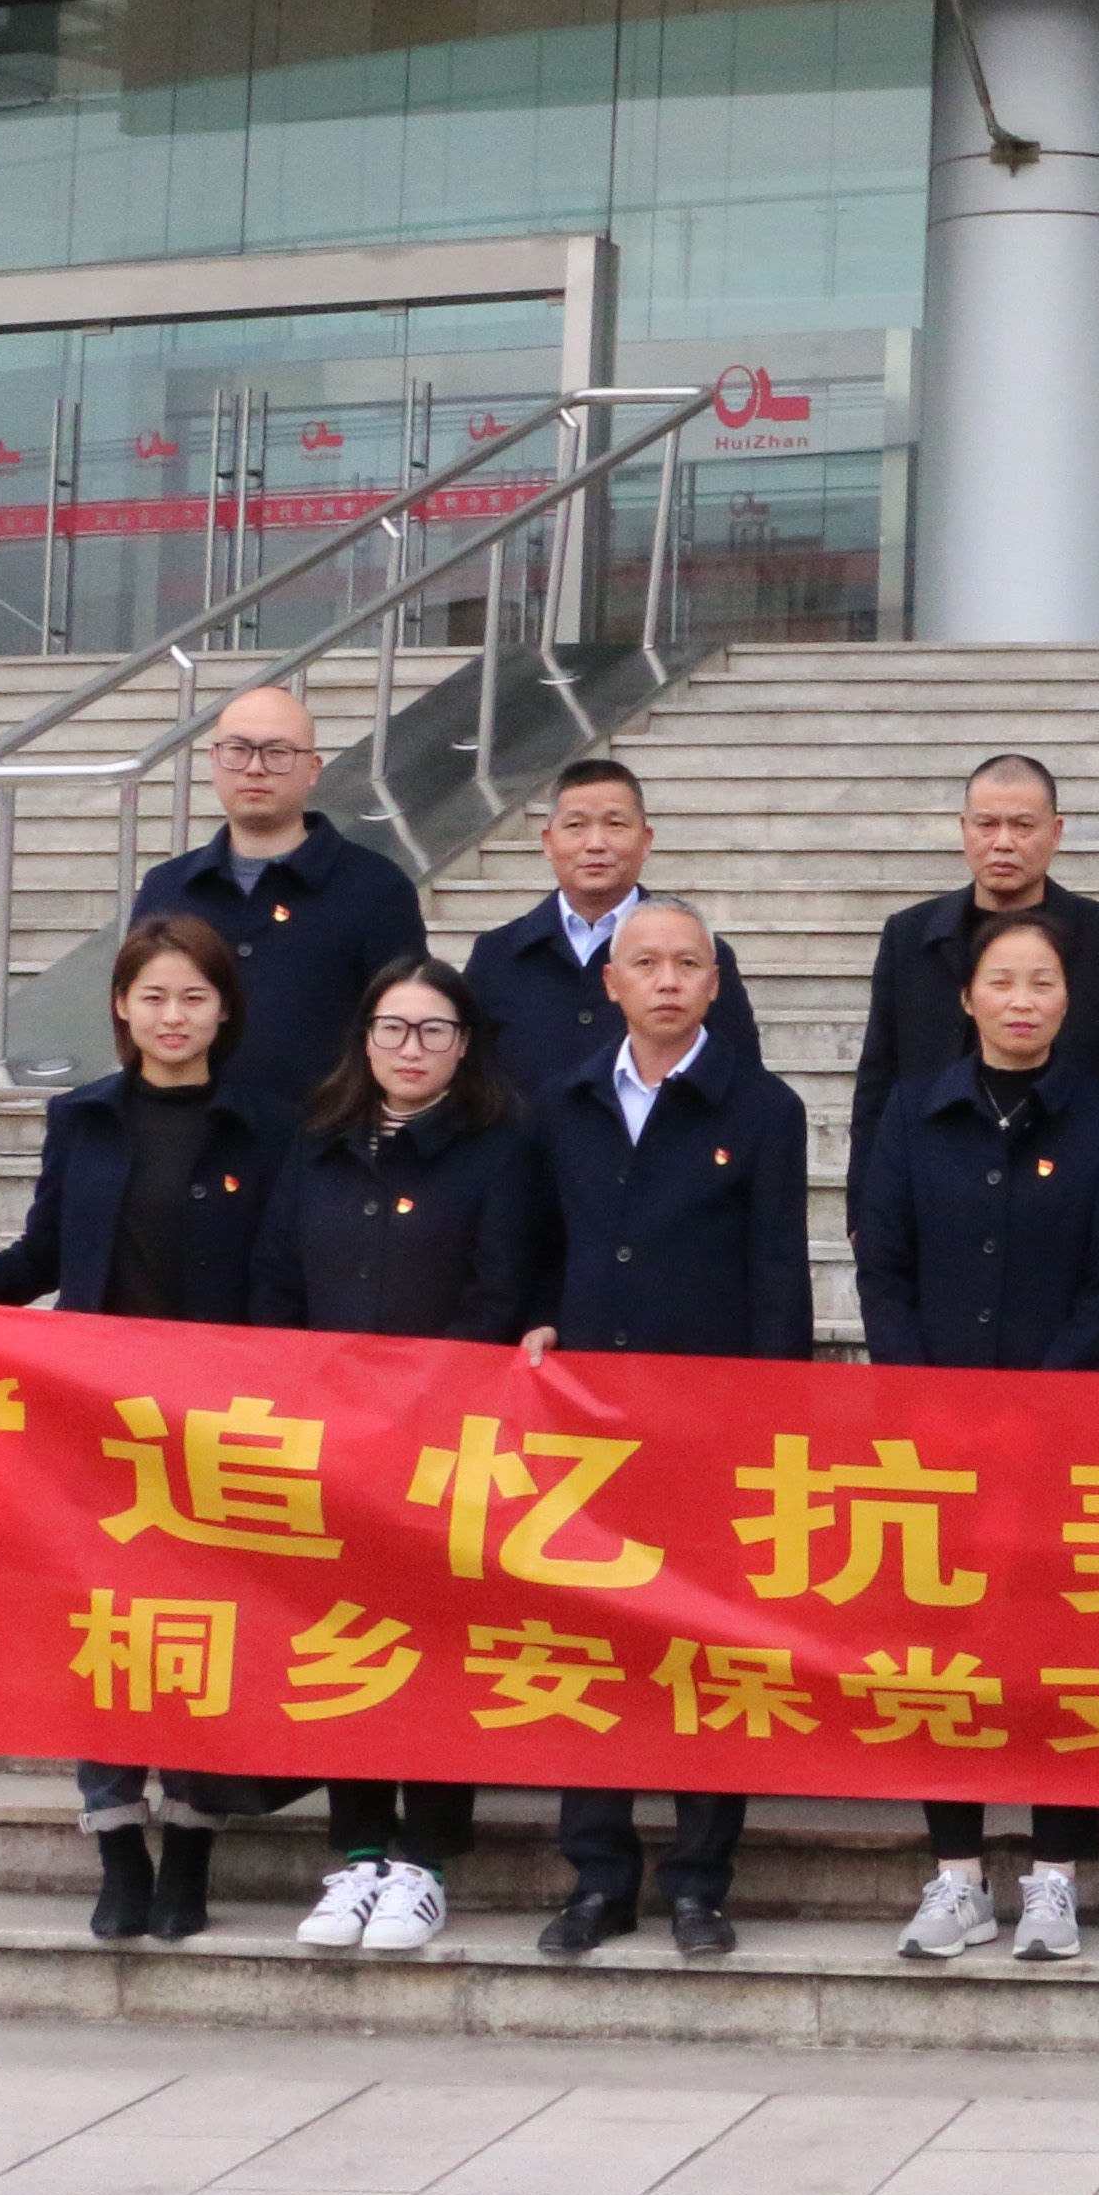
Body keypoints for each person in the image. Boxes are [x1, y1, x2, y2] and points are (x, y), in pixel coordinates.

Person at [0, 915, 278, 1945]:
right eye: (154, 996)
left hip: (220, 1429)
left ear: (224, 1010)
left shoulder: (270, 1126)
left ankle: (191, 1848)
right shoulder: (83, 1117)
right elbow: (40, 1255)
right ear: (121, 1007)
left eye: (194, 997)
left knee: (201, 1634)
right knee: (106, 1633)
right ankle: (118, 1846)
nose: (173, 1016)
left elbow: (288, 1276)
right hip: (98, 1426)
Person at [856, 904, 1099, 1967]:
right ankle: (955, 1876)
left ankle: (1054, 1877)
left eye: (1042, 982)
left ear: (1068, 1001)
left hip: (1062, 1434)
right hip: (931, 1438)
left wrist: (1037, 1404)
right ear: (967, 997)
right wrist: (926, 1399)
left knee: (1057, 1651)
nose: (1021, 1000)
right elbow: (883, 1267)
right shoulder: (913, 1111)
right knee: (940, 1648)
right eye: (1002, 981)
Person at [527, 896, 812, 1959]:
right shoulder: (561, 1099)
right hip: (584, 1422)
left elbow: (778, 1272)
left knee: (706, 1647)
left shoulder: (764, 1108)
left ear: (715, 983)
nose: (666, 980)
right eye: (645, 962)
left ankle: (699, 1878)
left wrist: (771, 1413)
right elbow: (535, 1242)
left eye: (687, 963)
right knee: (591, 1642)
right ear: (611, 982)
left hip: (710, 1425)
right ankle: (597, 1876)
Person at [255, 950, 550, 1959]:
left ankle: (423, 1861)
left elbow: (498, 1289)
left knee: (435, 1642)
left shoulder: (499, 1147)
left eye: (433, 1029)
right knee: (344, 1637)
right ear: (365, 1038)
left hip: (445, 1439)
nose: (410, 1048)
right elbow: (276, 1281)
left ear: (464, 1044)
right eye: (392, 1027)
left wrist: (419, 1400)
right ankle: (359, 1854)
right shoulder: (318, 1141)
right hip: (330, 1437)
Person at [850, 754, 1099, 1207]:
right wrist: (864, 1206)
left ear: (1056, 832)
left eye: (1022, 826)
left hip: (1067, 1196)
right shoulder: (911, 936)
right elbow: (879, 1077)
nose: (1002, 843)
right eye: (986, 825)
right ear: (964, 829)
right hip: (930, 1192)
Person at [129, 680, 427, 1125]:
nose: (255, 768)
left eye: (277, 752)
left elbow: (407, 1030)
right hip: (187, 1139)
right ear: (213, 761)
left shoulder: (376, 889)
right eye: (237, 750)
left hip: (325, 1144)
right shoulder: (167, 889)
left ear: (313, 769)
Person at [459, 754, 763, 1094]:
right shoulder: (496, 955)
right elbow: (467, 1082)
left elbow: (744, 1082)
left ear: (646, 841)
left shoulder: (698, 953)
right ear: (547, 842)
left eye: (615, 824)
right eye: (576, 826)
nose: (595, 844)